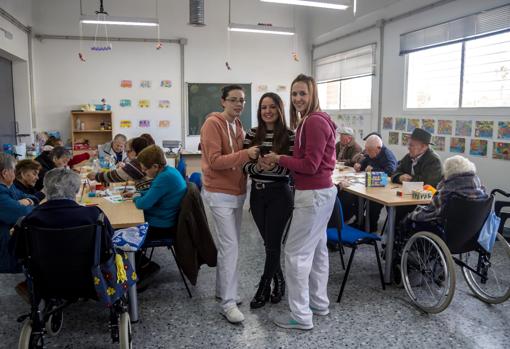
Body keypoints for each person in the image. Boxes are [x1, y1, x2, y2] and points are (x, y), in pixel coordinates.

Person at [264, 74, 337, 330]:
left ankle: (301, 316)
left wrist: (279, 159)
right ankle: (318, 303)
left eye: (302, 93)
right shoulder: (316, 119)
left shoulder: (314, 122)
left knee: (295, 254)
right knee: (317, 251)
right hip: (322, 192)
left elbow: (310, 165)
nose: (297, 98)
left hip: (313, 194)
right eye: (294, 94)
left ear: (313, 93)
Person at [200, 84, 259, 324]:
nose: (239, 104)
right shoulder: (212, 124)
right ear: (222, 101)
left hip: (237, 192)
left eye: (242, 100)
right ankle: (228, 303)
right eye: (233, 100)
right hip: (220, 194)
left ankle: (222, 290)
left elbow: (239, 158)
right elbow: (214, 161)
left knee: (230, 245)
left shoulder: (238, 125)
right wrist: (247, 155)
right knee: (230, 246)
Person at [12, 168, 115, 302]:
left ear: (46, 190)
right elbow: (108, 241)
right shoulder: (94, 214)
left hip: (46, 279)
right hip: (90, 277)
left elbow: (18, 252)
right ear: (77, 190)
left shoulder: (30, 219)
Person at [243, 92, 294, 309]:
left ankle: (264, 286)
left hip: (279, 194)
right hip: (257, 194)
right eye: (263, 107)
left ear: (279, 109)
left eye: (272, 107)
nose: (267, 111)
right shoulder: (252, 133)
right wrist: (257, 167)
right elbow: (242, 164)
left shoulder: (290, 135)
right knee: (269, 244)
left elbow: (292, 166)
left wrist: (275, 165)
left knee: (273, 244)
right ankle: (280, 281)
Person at [131, 145, 187, 287]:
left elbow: (142, 204)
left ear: (155, 166)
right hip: (165, 220)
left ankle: (146, 267)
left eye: (145, 168)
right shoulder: (169, 172)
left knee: (121, 234)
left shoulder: (164, 178)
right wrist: (138, 194)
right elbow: (153, 194)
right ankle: (142, 265)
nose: (143, 171)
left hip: (161, 226)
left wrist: (136, 196)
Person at [403, 155, 488, 238]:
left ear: (448, 171)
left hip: (447, 233)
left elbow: (431, 211)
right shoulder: (481, 190)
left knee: (408, 218)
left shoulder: (449, 191)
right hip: (471, 233)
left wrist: (413, 214)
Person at [391, 128, 443, 222]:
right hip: (408, 196)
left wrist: (408, 179)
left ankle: (399, 233)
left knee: (398, 208)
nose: (408, 147)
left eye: (411, 145)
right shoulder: (408, 157)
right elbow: (394, 172)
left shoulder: (433, 160)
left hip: (425, 200)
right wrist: (399, 177)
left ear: (423, 147)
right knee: (392, 205)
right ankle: (396, 232)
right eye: (408, 144)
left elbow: (426, 182)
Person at [0, 153, 36, 273]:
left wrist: (27, 201)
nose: (15, 174)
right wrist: (24, 204)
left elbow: (28, 196)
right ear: (5, 173)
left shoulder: (9, 186)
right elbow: (23, 213)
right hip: (4, 251)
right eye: (14, 170)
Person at [353, 135, 397, 232]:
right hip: (371, 184)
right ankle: (359, 222)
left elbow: (391, 171)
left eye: (369, 150)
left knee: (373, 203)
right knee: (355, 196)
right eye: (367, 150)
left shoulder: (387, 155)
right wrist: (359, 166)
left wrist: (374, 169)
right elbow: (364, 163)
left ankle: (371, 227)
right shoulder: (371, 153)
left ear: (378, 148)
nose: (367, 153)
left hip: (385, 187)